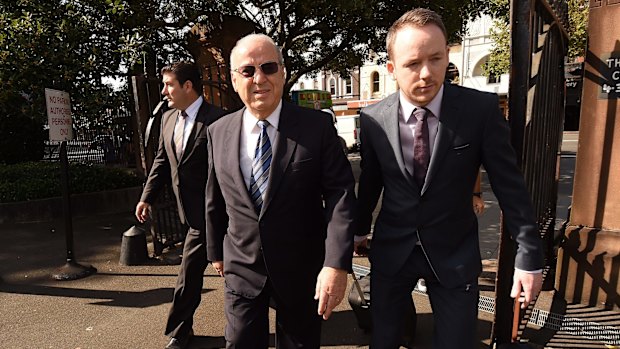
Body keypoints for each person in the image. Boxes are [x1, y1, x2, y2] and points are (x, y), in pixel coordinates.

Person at [354, 8, 543, 349]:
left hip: (454, 255)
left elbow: (509, 187)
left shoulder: (479, 111)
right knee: (383, 341)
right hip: (392, 252)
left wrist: (529, 255)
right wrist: (357, 229)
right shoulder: (372, 118)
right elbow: (371, 182)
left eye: (436, 59)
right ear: (392, 69)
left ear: (447, 58)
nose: (426, 74)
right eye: (413, 64)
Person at [205, 33, 356, 348]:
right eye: (248, 71)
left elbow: (340, 197)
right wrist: (215, 252)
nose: (259, 78)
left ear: (283, 73)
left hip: (301, 270)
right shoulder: (217, 132)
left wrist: (336, 264)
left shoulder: (316, 128)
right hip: (241, 268)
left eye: (269, 68)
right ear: (234, 80)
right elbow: (215, 196)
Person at [135, 61, 225, 349]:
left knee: (192, 275)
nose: (164, 91)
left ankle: (180, 331)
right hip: (187, 215)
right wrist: (146, 197)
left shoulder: (218, 120)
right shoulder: (168, 120)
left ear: (188, 86)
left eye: (169, 84)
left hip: (216, 216)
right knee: (200, 273)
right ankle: (183, 330)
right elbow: (161, 162)